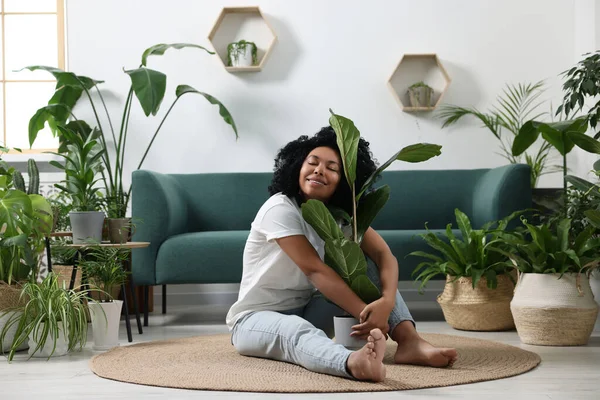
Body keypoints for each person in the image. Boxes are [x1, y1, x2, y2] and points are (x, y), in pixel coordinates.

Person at [226, 126, 458, 382]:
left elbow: (384, 256)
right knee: (295, 330)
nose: (319, 170)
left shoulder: (342, 216)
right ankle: (350, 363)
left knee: (366, 263)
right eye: (312, 163)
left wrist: (386, 303)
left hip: (308, 309)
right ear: (297, 168)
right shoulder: (279, 208)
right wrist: (366, 314)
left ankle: (409, 342)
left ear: (345, 181)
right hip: (254, 320)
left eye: (332, 168)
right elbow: (315, 270)